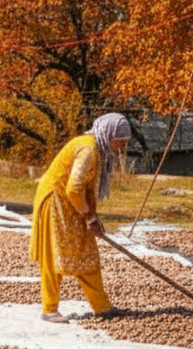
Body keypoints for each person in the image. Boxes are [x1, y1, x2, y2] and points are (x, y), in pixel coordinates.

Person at [29, 113, 132, 322]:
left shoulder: (96, 149)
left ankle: (102, 307)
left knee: (87, 253)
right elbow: (74, 188)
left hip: (70, 203)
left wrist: (90, 215)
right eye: (119, 140)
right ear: (108, 135)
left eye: (124, 142)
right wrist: (89, 217)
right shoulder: (88, 149)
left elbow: (79, 190)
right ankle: (49, 309)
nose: (121, 146)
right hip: (55, 201)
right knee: (54, 254)